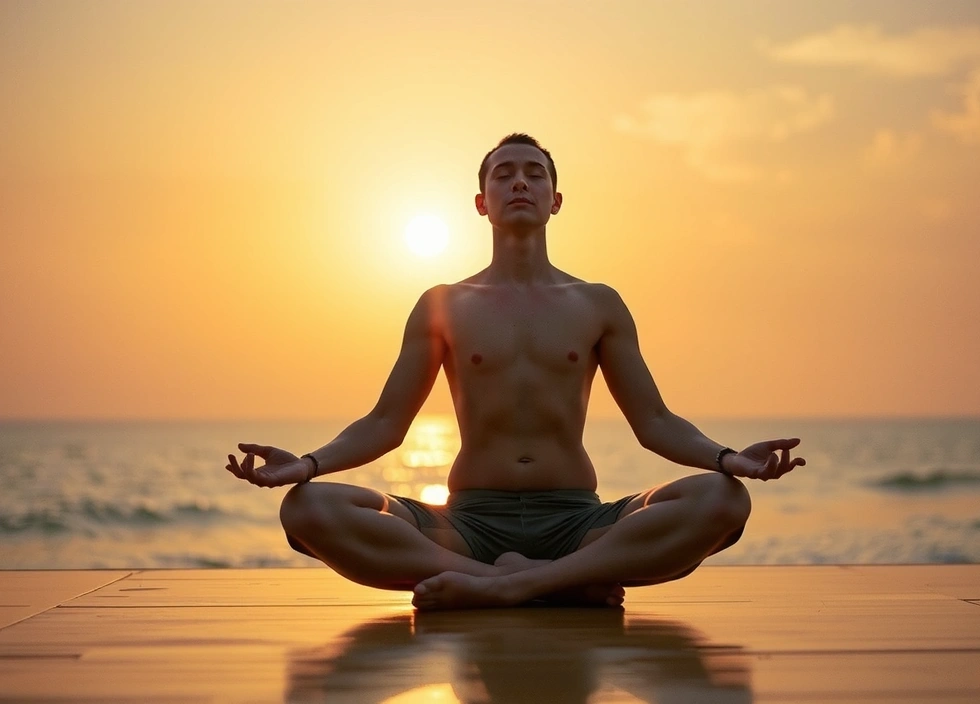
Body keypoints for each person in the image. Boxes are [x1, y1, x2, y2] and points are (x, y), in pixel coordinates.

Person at [225, 133, 805, 610]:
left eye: (535, 174)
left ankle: (509, 585)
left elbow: (655, 421)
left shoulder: (598, 303)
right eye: (504, 175)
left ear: (556, 200)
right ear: (482, 203)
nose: (520, 182)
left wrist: (731, 460)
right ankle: (544, 582)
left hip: (578, 522)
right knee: (305, 508)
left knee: (724, 501)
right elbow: (384, 424)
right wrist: (307, 465)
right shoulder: (443, 304)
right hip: (466, 527)